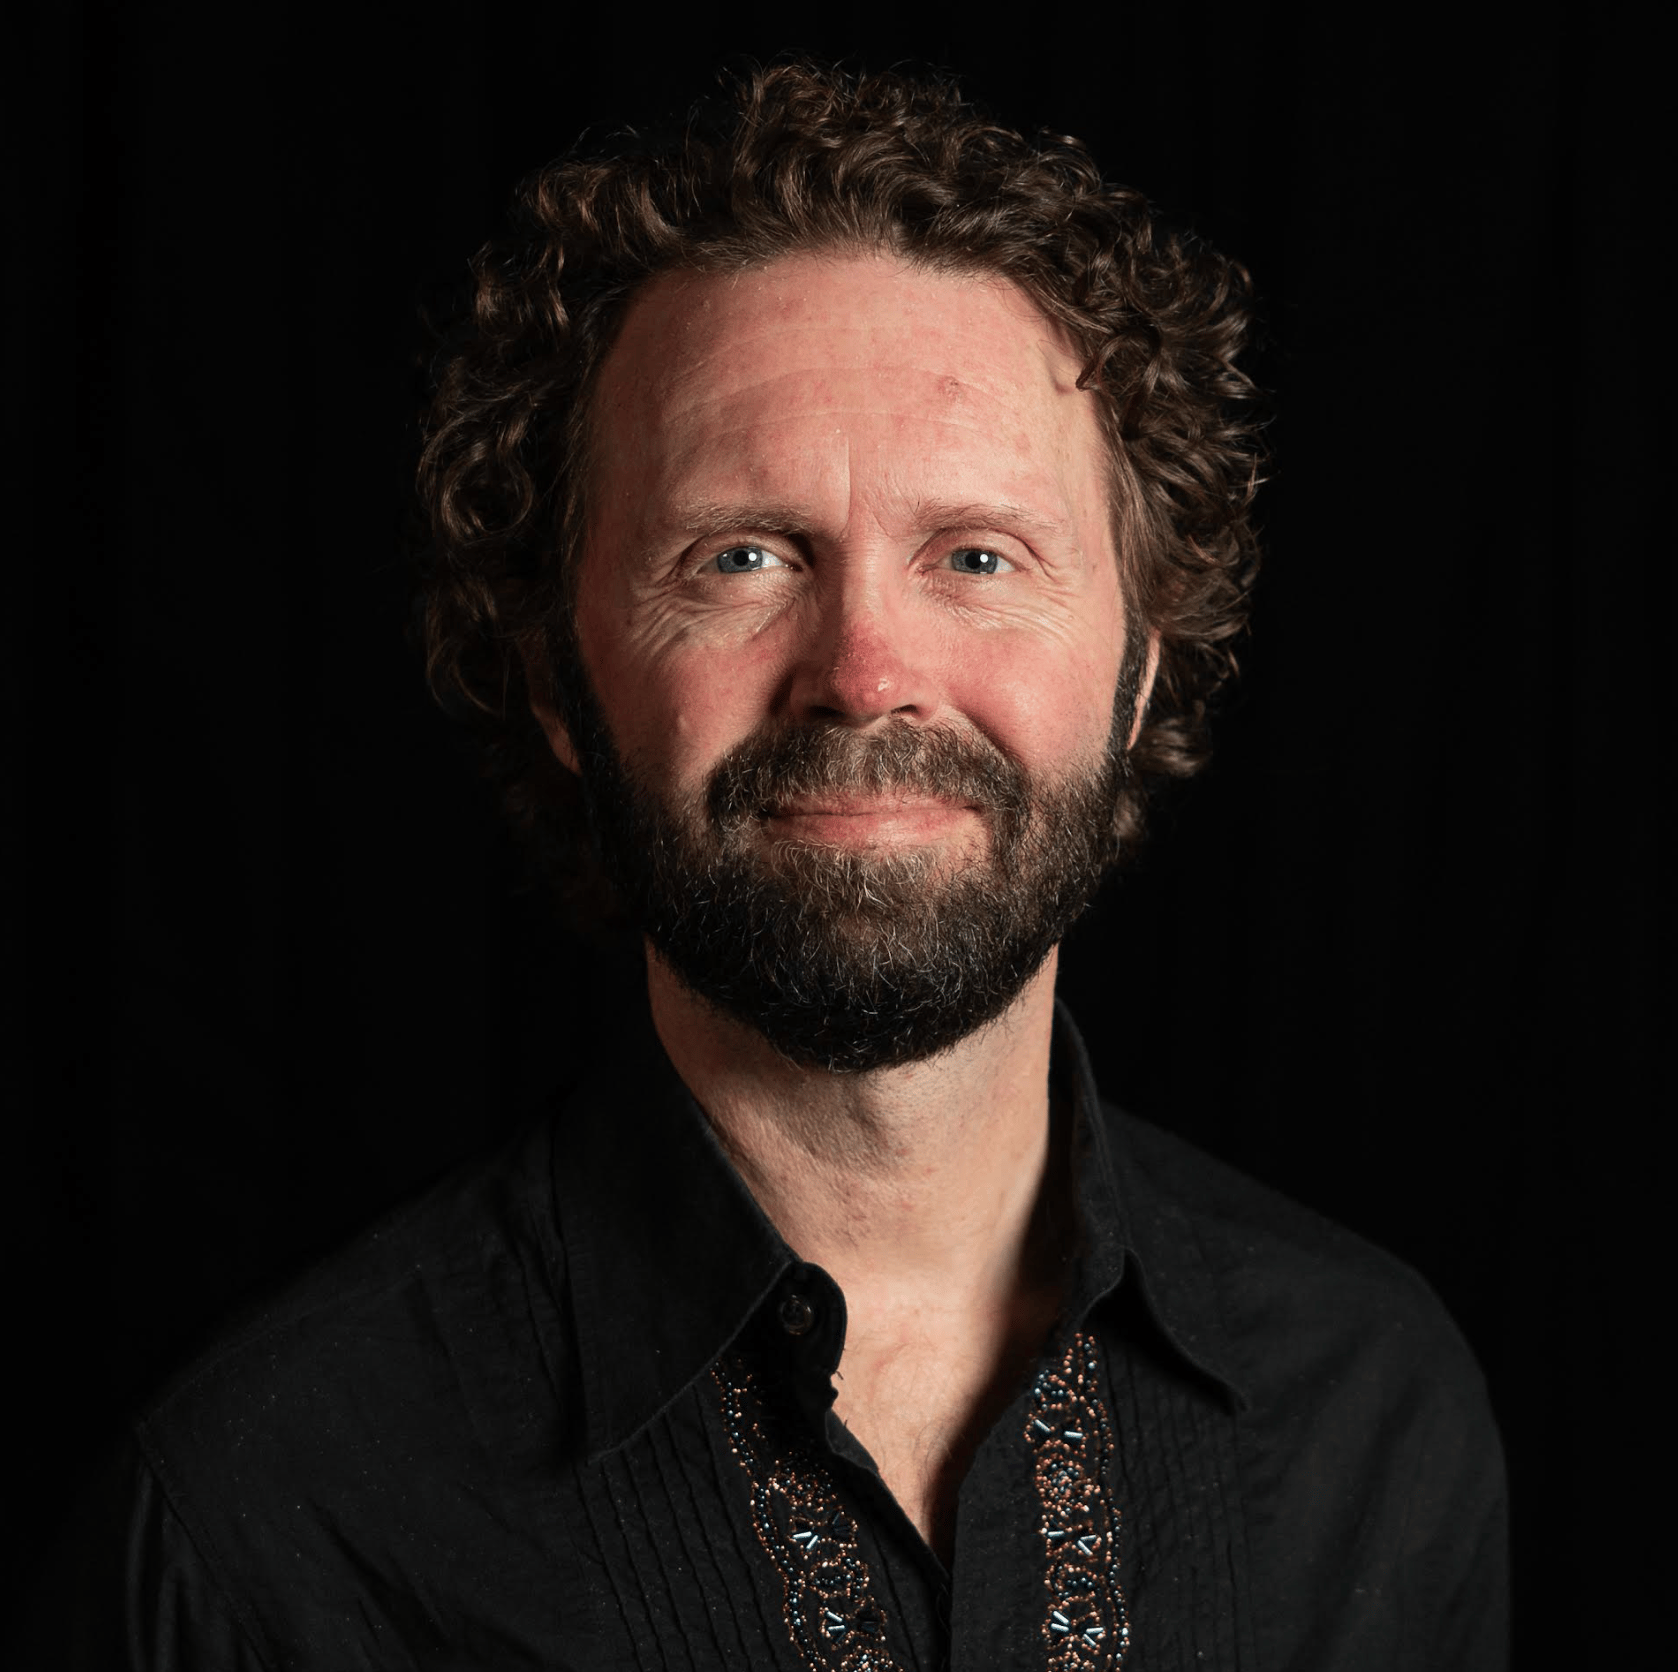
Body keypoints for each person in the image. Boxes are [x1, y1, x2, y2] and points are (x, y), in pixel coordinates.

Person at [62, 63, 1506, 1669]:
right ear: (556, 677)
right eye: (740, 556)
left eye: (976, 556)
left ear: (1140, 668)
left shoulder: (1374, 1411)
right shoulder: (270, 1520)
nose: (864, 668)